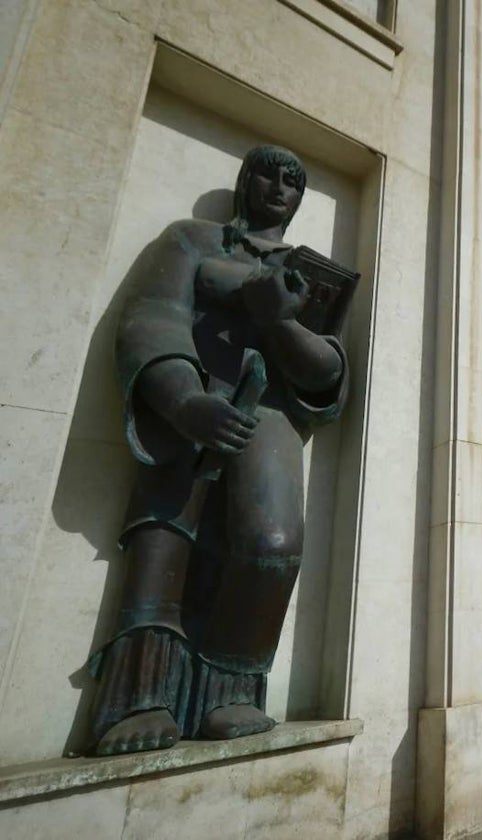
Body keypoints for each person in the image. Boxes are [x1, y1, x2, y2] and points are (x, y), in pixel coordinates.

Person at [87, 146, 350, 756]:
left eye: (294, 179)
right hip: (195, 400)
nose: (279, 186)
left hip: (270, 413)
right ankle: (143, 696)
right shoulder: (192, 239)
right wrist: (181, 400)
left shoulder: (309, 271)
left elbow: (330, 370)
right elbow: (152, 316)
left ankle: (231, 688)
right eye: (267, 172)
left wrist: (279, 322)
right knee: (165, 535)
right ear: (243, 179)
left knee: (274, 543)